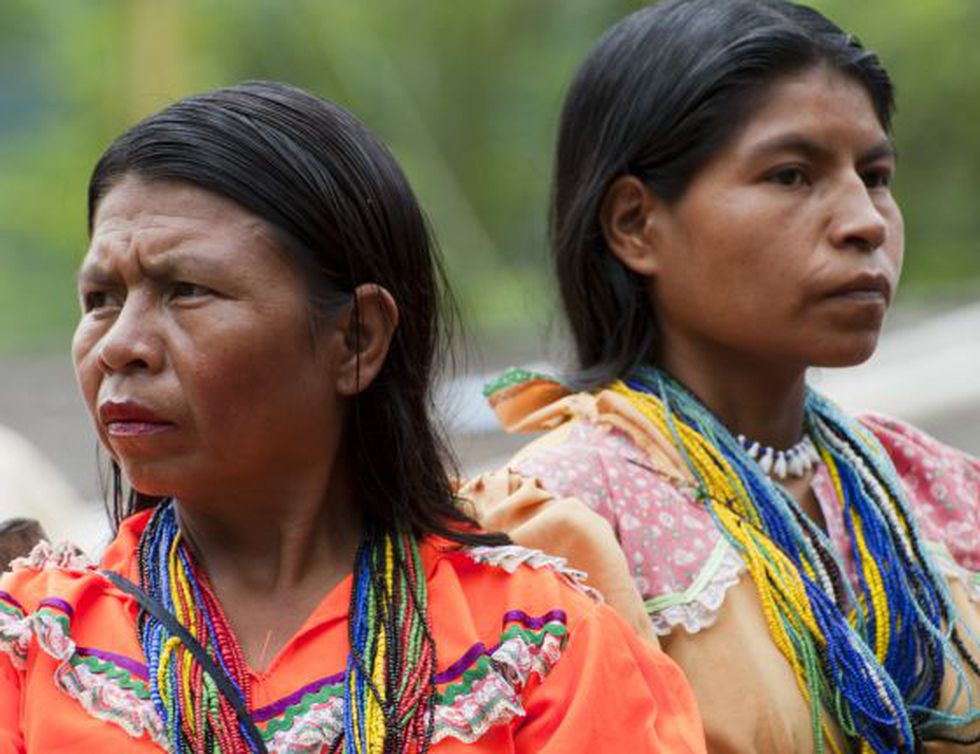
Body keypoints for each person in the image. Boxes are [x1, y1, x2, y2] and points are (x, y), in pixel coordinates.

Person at [0, 82, 706, 753]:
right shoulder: (32, 644)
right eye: (100, 298)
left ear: (359, 337)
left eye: (186, 290)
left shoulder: (537, 648)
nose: (121, 344)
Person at [462, 2, 980, 752]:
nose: (864, 221)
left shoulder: (933, 490)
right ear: (636, 224)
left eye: (875, 175)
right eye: (791, 174)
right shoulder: (564, 524)